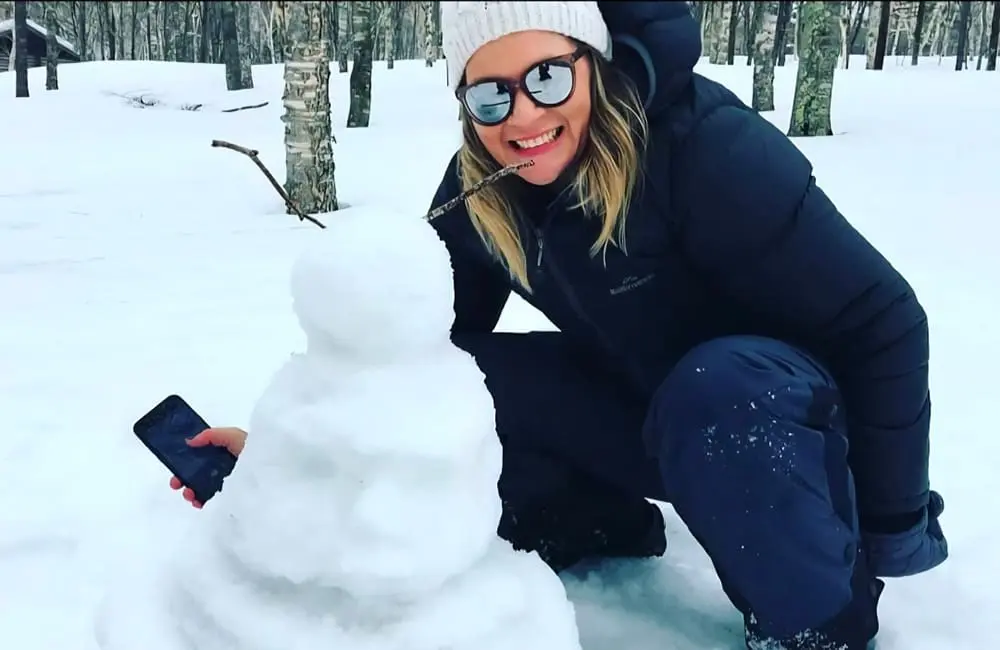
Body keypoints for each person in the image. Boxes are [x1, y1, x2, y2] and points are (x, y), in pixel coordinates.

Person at [171, 2, 948, 649]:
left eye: (546, 77)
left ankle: (816, 620)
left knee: (718, 387)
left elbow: (882, 321)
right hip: (656, 413)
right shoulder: (486, 184)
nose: (525, 116)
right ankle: (595, 524)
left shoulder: (702, 144)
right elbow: (411, 359)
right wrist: (294, 459)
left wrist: (892, 526)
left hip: (783, 428)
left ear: (593, 63)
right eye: (491, 96)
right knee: (465, 377)